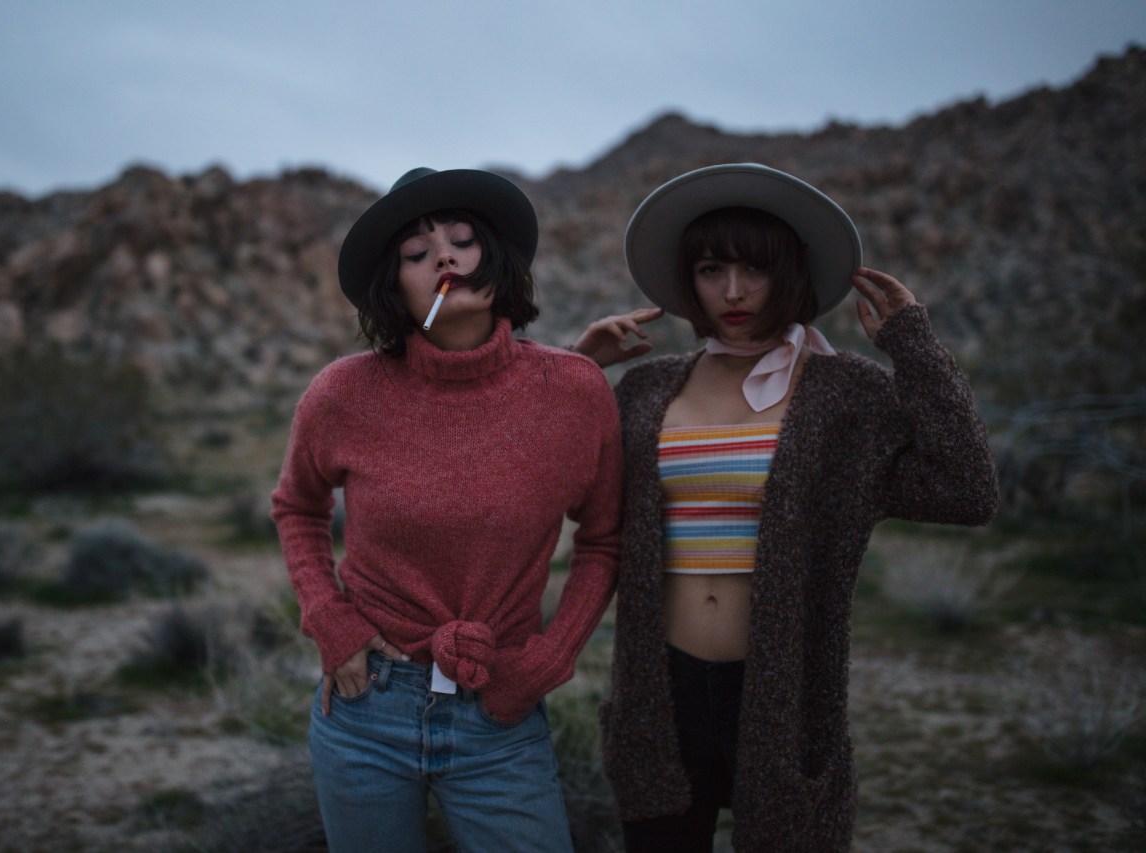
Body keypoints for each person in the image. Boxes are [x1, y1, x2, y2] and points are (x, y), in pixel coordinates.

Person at [576, 163, 999, 852]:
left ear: (791, 273)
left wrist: (912, 345)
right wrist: (576, 371)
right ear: (691, 277)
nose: (733, 291)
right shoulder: (648, 389)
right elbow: (554, 486)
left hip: (786, 695)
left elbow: (967, 488)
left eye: (755, 268)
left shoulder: (843, 395)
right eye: (713, 269)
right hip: (660, 692)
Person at [270, 167, 622, 853]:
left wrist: (549, 657)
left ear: (495, 258)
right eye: (416, 252)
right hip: (365, 703)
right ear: (394, 286)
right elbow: (297, 506)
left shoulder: (575, 390)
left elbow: (605, 539)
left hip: (500, 710)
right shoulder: (343, 392)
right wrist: (329, 618)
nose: (445, 257)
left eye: (463, 239)